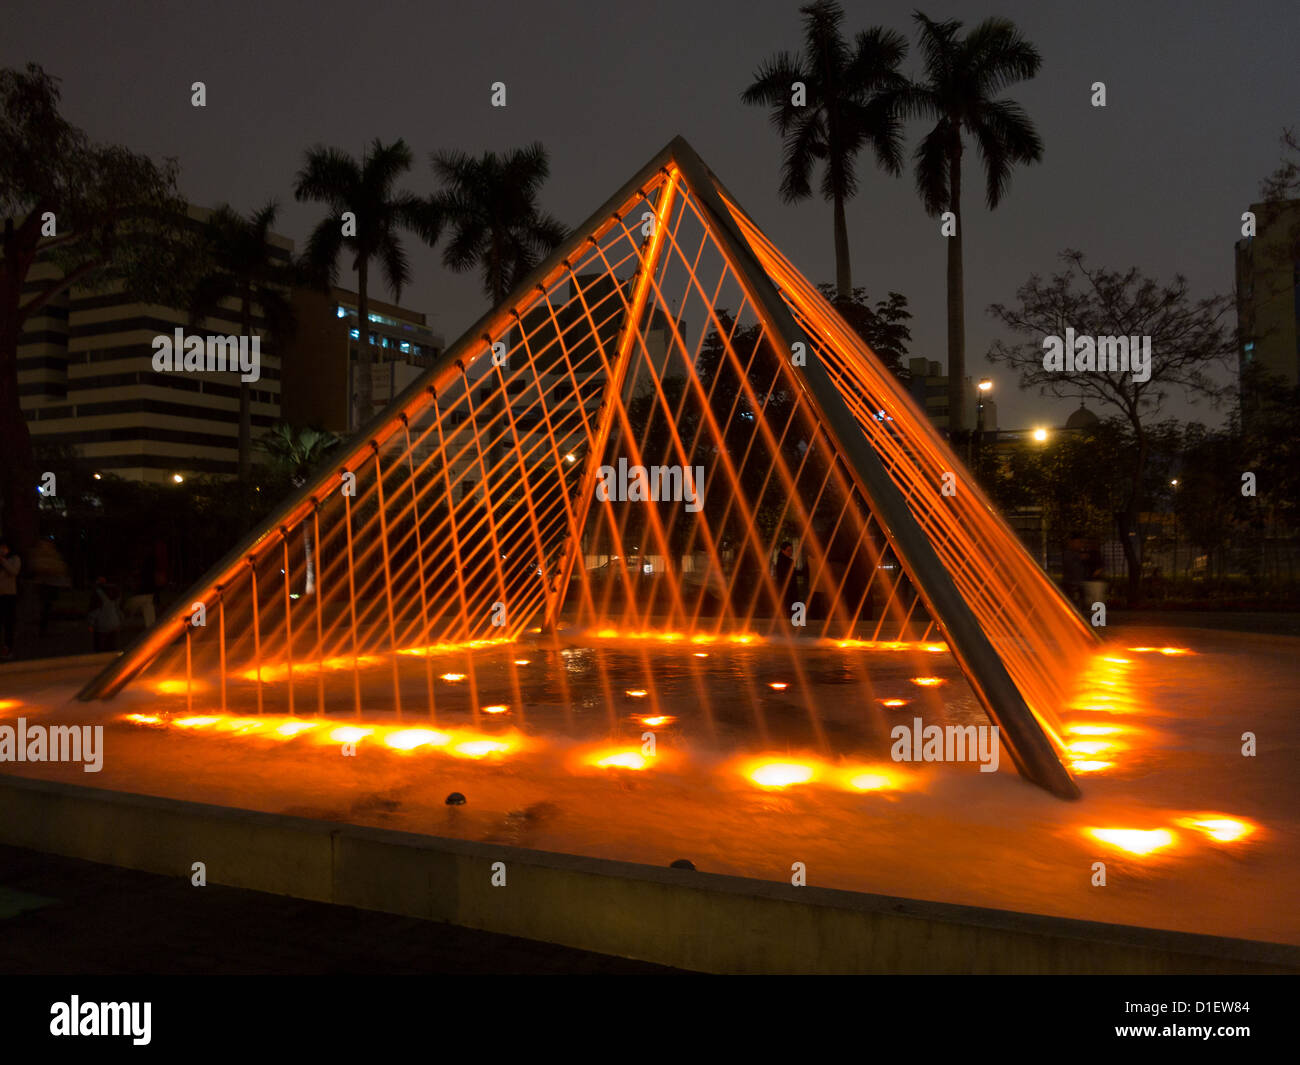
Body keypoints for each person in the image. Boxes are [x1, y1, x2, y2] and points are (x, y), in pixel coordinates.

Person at [27, 536, 71, 638]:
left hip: (49, 584)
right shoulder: (44, 555)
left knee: (46, 607)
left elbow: (59, 567)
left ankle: (43, 628)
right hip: (45, 584)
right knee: (44, 607)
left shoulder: (49, 555)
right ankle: (42, 628)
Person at [88, 576, 123, 653]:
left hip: (101, 625)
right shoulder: (116, 592)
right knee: (112, 646)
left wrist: (91, 624)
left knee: (100, 648)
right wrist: (120, 621)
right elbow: (118, 609)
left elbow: (95, 611)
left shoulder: (97, 594)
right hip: (114, 623)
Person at [0, 539, 20, 659]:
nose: (2, 549)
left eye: (4, 547)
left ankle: (8, 648)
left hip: (9, 595)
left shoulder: (15, 559)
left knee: (9, 623)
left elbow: (14, 571)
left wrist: (2, 561)